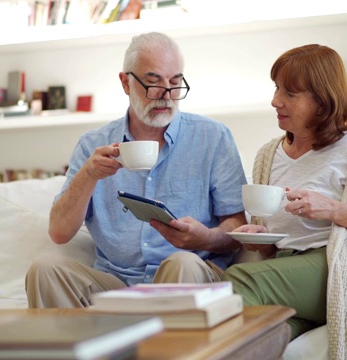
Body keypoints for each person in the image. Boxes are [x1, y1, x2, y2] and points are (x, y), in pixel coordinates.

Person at [222, 44, 347, 359]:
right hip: (288, 271)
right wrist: (259, 238)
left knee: (238, 279)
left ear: (322, 100)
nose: (275, 101)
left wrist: (332, 209)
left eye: (290, 93)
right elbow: (274, 245)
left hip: (337, 267)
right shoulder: (267, 155)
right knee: (264, 338)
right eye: (277, 88)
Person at [25, 32, 247, 308]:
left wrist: (206, 237)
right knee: (45, 269)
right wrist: (89, 175)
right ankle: (87, 349)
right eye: (153, 82)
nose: (166, 95)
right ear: (125, 82)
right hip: (116, 283)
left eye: (175, 83)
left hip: (187, 271)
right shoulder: (93, 144)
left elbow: (238, 226)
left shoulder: (212, 137)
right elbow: (59, 233)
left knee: (182, 263)